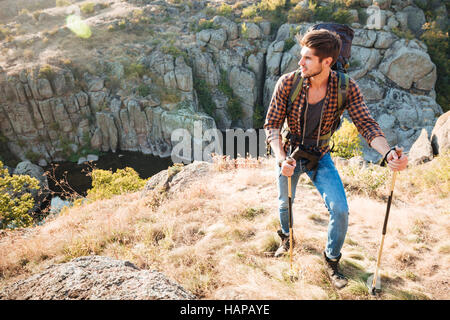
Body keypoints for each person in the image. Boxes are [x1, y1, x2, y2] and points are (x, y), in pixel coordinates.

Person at [263, 29, 408, 289]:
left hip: (320, 155)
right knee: (285, 204)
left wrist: (387, 153)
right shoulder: (288, 83)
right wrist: (281, 158)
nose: (300, 63)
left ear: (327, 62)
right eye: (301, 56)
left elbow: (366, 124)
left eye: (307, 58)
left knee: (340, 210)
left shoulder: (345, 87)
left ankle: (331, 260)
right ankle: (287, 239)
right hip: (290, 154)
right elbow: (272, 126)